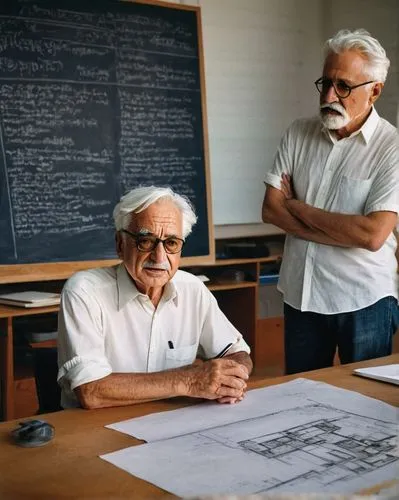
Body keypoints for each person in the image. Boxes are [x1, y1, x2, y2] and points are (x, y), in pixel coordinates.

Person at [262, 29, 398, 374]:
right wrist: (336, 230)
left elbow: (372, 235)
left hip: (364, 301)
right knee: (301, 400)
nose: (329, 95)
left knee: (367, 404)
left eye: (343, 86)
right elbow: (270, 209)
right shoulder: (298, 132)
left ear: (375, 91)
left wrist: (300, 209)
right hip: (301, 295)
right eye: (325, 83)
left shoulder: (391, 148)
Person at [57, 186, 252, 409]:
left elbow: (238, 353)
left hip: (170, 423)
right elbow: (91, 391)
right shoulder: (84, 291)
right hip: (94, 429)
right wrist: (190, 380)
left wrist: (231, 379)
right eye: (146, 241)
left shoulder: (192, 289)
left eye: (171, 243)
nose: (159, 257)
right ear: (121, 245)